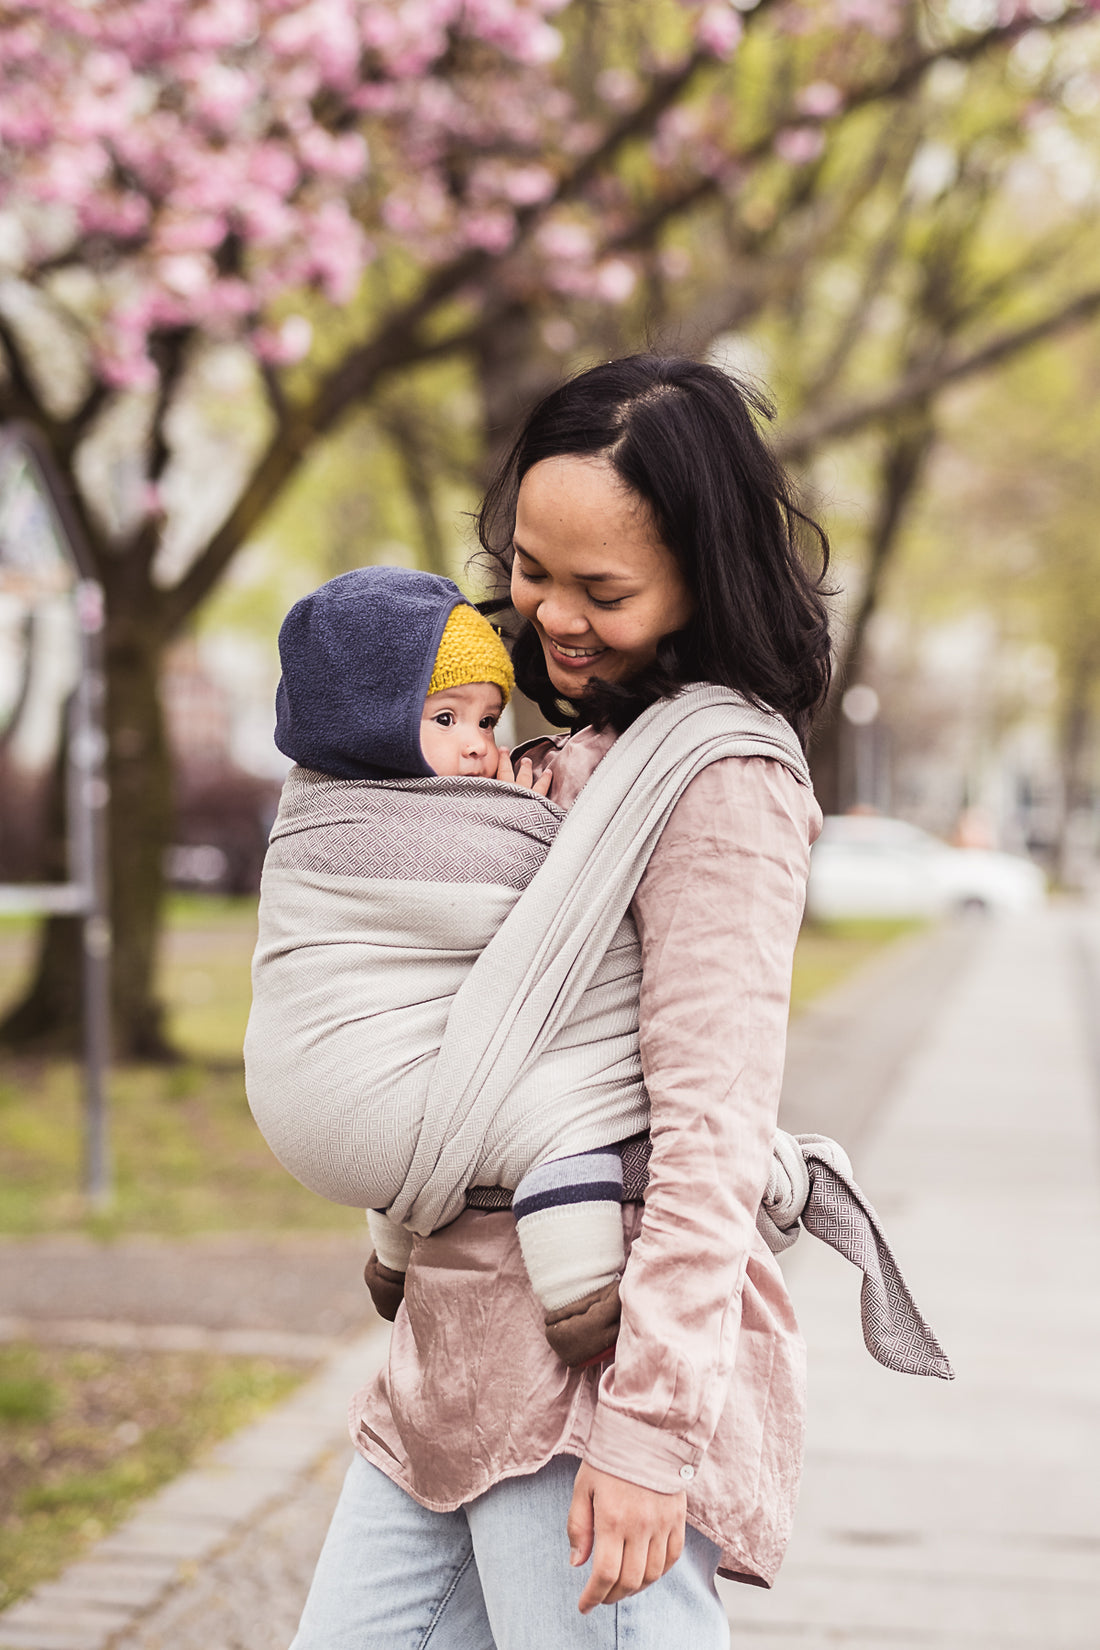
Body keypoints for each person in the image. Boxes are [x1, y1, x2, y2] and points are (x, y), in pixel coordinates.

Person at [288, 354, 832, 1649]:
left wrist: (652, 1432)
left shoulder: (719, 780)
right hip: (443, 1360)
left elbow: (712, 1127)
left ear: (705, 577)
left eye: (607, 590)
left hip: (592, 1379)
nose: (554, 616)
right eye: (534, 568)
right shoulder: (541, 745)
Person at [248, 567, 665, 1365]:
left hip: (320, 1097)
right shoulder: (365, 818)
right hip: (355, 1099)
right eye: (445, 715)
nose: (480, 742)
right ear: (365, 720)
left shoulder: (320, 802)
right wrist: (539, 822)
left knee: (453, 1064)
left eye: (490, 717)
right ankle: (581, 1293)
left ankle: (395, 1258)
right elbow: (530, 900)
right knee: (563, 1103)